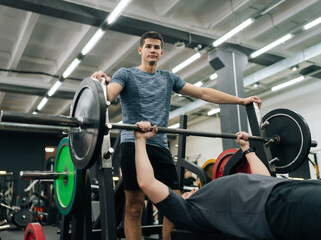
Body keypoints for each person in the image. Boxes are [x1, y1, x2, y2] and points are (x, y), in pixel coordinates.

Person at [91, 31, 262, 240]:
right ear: (140, 50)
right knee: (134, 207)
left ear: (161, 53)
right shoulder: (126, 74)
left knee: (174, 207)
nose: (152, 50)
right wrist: (99, 84)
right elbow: (109, 95)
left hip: (160, 146)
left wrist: (241, 100)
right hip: (133, 145)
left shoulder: (168, 78)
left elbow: (203, 93)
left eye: (156, 47)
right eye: (148, 47)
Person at [134, 121, 321, 240]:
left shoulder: (210, 191)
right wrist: (140, 141)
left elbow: (263, 179)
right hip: (276, 207)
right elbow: (146, 182)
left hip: (288, 188)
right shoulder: (189, 211)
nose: (190, 191)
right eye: (184, 193)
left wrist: (246, 148)